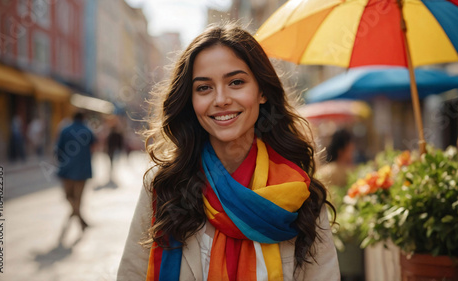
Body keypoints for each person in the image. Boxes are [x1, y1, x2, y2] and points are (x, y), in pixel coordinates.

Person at [117, 23, 339, 281]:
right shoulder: (164, 187)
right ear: (190, 100)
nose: (221, 99)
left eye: (236, 82)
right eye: (204, 87)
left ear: (262, 92)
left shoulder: (300, 194)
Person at [56, 112, 96, 230]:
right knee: (78, 197)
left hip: (66, 168)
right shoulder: (87, 130)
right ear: (83, 118)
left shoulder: (65, 130)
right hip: (82, 169)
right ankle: (79, 215)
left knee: (68, 195)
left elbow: (58, 148)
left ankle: (76, 213)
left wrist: (61, 162)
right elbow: (94, 146)